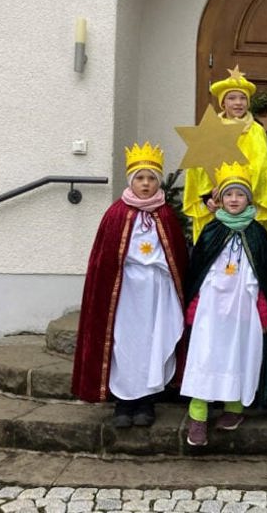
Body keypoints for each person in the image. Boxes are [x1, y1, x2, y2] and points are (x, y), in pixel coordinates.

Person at [71, 142, 189, 428]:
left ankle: (146, 401)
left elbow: (178, 260)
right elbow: (103, 262)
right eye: (140, 178)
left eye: (151, 178)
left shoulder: (166, 215)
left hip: (158, 292)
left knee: (153, 342)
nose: (146, 184)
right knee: (124, 343)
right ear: (131, 181)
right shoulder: (115, 214)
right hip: (124, 295)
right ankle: (124, 403)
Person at [180, 162, 267, 446]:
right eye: (228, 195)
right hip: (211, 309)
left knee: (240, 355)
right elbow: (199, 271)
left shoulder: (257, 233)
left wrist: (262, 307)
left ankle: (233, 409)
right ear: (219, 200)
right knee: (206, 355)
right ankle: (197, 415)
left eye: (239, 195)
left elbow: (264, 274)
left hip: (243, 309)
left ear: (249, 199)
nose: (234, 200)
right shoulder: (212, 231)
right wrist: (194, 303)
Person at [183, 66, 267, 243]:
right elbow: (198, 169)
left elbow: (261, 168)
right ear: (223, 103)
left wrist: (242, 191)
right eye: (232, 98)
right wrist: (207, 196)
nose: (238, 103)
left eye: (242, 98)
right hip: (216, 204)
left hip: (245, 201)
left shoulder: (256, 131)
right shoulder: (209, 130)